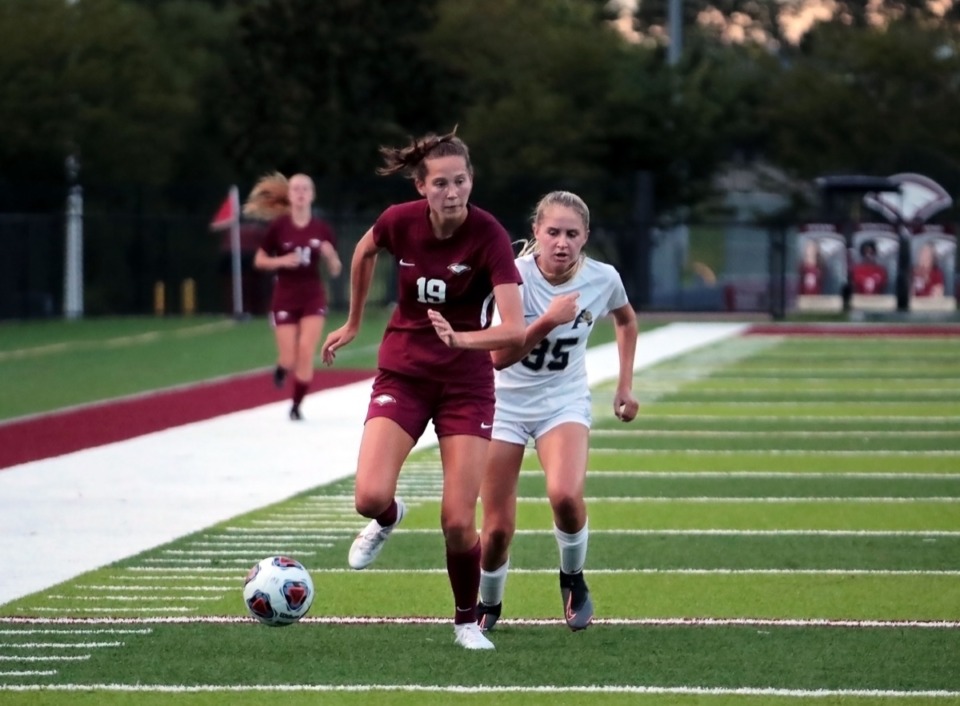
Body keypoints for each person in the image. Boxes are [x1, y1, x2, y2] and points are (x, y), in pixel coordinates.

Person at [319, 128, 525, 650]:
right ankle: (390, 518)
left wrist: (463, 338)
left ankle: (464, 621)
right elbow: (364, 252)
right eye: (440, 183)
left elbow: (516, 328)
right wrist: (353, 323)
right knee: (368, 497)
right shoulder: (398, 222)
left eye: (460, 181)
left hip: (466, 386)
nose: (452, 192)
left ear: (471, 181)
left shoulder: (490, 235)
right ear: (420, 187)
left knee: (458, 521)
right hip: (404, 374)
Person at [475, 191, 639, 633]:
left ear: (586, 237)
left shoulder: (602, 278)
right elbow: (498, 359)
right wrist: (547, 319)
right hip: (504, 403)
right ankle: (488, 604)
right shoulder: (512, 277)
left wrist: (625, 384)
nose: (561, 242)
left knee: (565, 495)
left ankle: (572, 578)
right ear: (536, 233)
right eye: (553, 232)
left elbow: (626, 319)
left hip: (562, 401)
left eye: (571, 233)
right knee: (495, 531)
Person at [246, 172, 342, 421]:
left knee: (306, 350)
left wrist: (330, 255)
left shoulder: (322, 228)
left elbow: (335, 269)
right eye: (295, 189)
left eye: (304, 189)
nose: (300, 193)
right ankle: (281, 368)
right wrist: (281, 260)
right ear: (289, 195)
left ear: (312, 194)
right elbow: (259, 259)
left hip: (312, 296)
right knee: (288, 357)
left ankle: (296, 405)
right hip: (285, 296)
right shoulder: (279, 227)